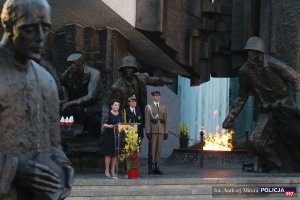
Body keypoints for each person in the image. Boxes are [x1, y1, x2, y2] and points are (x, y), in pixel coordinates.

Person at [0, 0, 74, 199]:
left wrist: (64, 169)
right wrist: (15, 169)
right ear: (8, 25)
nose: (40, 38)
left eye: (46, 28)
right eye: (30, 29)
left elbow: (53, 145)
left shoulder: (46, 81)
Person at [222, 36, 300, 172]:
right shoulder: (244, 71)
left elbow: (296, 79)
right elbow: (242, 97)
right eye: (248, 52)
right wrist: (231, 116)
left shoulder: (273, 64)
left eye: (253, 52)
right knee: (255, 141)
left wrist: (298, 102)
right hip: (268, 110)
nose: (250, 55)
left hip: (286, 105)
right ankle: (281, 167)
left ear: (260, 53)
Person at [61, 53, 102, 134]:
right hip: (80, 100)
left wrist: (70, 103)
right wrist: (65, 101)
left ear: (81, 63)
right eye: (70, 64)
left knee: (88, 111)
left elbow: (91, 96)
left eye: (74, 63)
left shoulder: (94, 73)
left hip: (96, 102)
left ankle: (95, 135)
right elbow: (62, 84)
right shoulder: (71, 71)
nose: (72, 66)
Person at [144, 91, 168, 175]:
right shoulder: (149, 107)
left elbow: (166, 120)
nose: (157, 97)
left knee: (159, 149)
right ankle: (152, 167)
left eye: (158, 95)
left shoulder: (163, 107)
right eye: (155, 96)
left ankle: (157, 167)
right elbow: (147, 120)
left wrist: (166, 132)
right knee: (152, 149)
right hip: (153, 130)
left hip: (161, 130)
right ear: (153, 97)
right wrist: (147, 132)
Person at [103, 99, 123, 178]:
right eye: (115, 105)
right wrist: (110, 126)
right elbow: (104, 124)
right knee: (108, 154)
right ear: (112, 106)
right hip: (109, 136)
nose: (117, 106)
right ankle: (107, 170)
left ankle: (112, 170)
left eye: (118, 105)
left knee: (115, 154)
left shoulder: (120, 114)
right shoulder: (108, 113)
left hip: (117, 136)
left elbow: (122, 124)